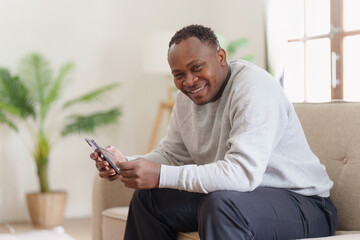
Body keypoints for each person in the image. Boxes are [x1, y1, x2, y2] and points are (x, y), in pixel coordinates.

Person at [90, 24, 337, 240]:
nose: (188, 81)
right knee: (149, 199)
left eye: (196, 67)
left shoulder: (253, 88)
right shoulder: (186, 99)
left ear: (220, 57)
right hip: (243, 197)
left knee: (220, 205)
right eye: (179, 75)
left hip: (305, 205)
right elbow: (173, 153)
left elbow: (242, 174)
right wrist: (125, 162)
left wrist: (161, 175)